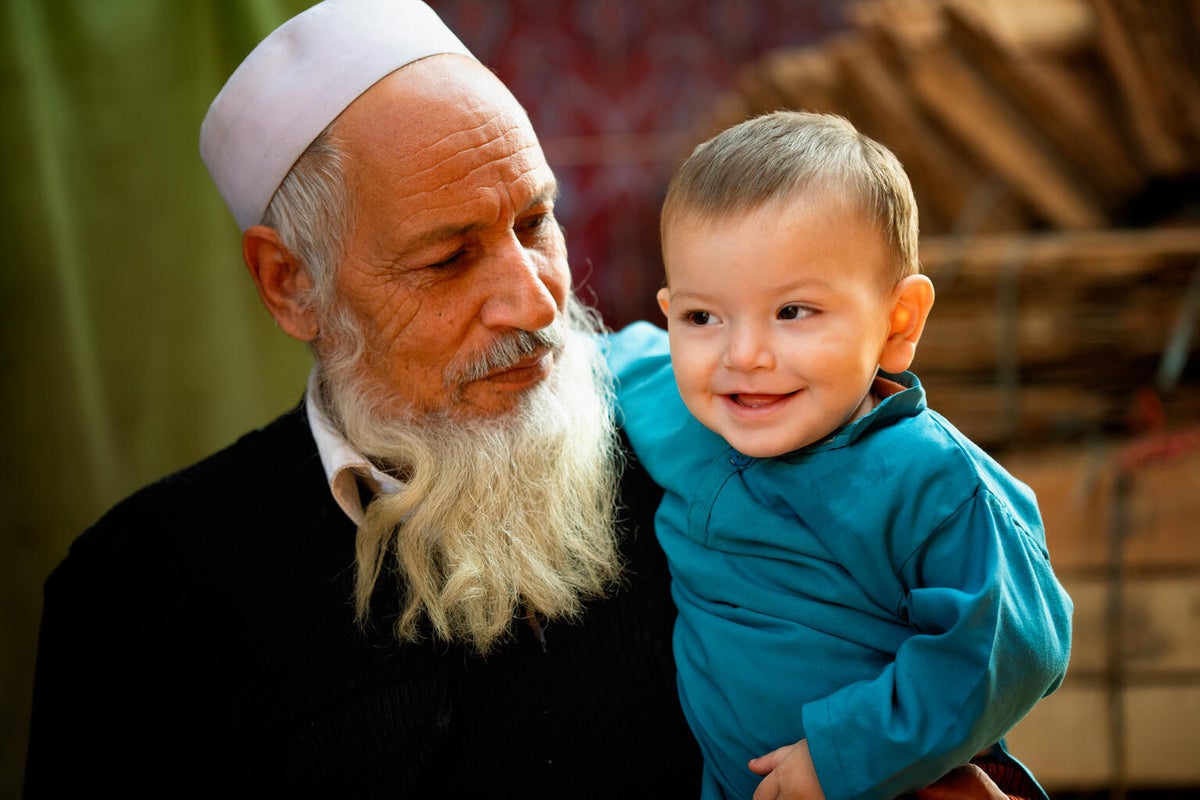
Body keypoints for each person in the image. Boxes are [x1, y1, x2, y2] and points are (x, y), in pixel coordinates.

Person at [22, 1, 703, 797]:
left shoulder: (699, 443)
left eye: (534, 221)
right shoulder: (139, 591)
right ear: (291, 283)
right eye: (449, 259)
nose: (536, 302)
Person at [606, 111, 1074, 800]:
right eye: (703, 317)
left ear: (897, 322)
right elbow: (591, 356)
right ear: (671, 312)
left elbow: (1012, 644)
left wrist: (844, 754)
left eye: (793, 311)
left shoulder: (928, 479)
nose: (742, 357)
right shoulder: (672, 404)